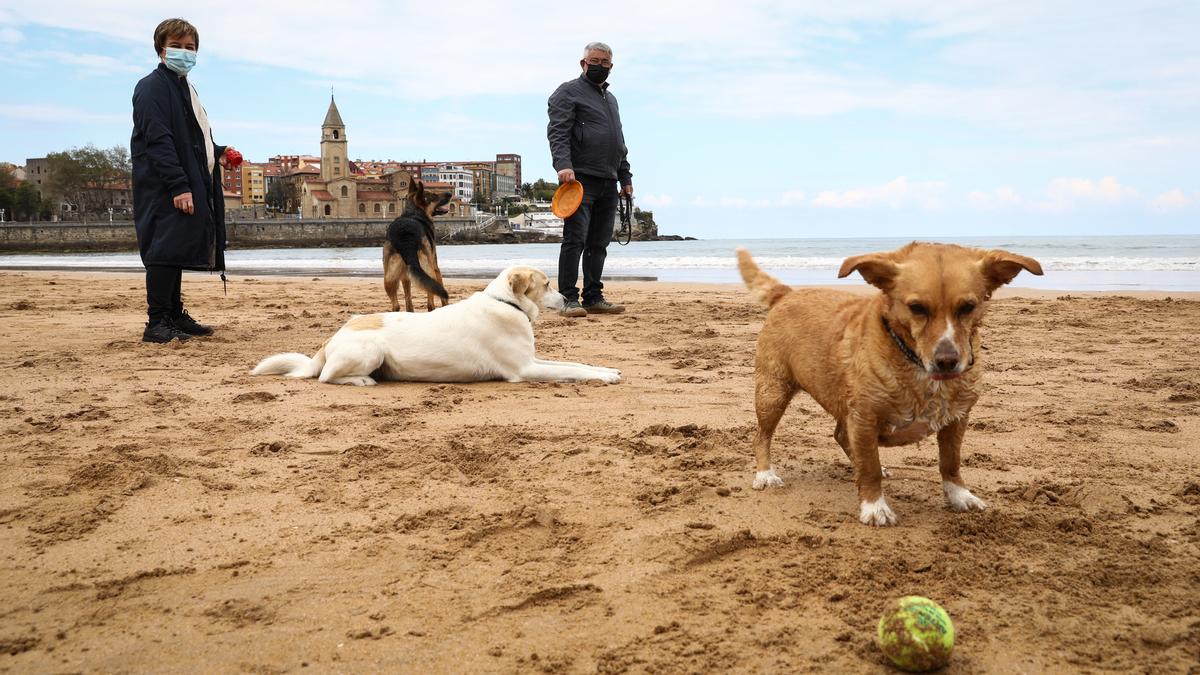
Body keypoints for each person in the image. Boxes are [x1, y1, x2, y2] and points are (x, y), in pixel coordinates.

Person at [131, 18, 238, 343]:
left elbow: (192, 138)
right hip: (162, 186)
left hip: (183, 180)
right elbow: (159, 140)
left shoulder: (183, 88)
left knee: (174, 248)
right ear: (161, 49)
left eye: (190, 48)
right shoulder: (152, 87)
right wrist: (178, 186)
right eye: (177, 46)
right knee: (163, 249)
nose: (184, 52)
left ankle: (174, 313)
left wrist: (218, 152)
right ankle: (157, 321)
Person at [547, 41, 633, 317]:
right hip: (579, 180)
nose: (599, 66)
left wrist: (625, 177)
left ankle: (593, 297)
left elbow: (618, 142)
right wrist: (563, 165)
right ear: (583, 63)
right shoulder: (567, 92)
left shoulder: (611, 99)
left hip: (608, 181)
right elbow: (558, 132)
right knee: (575, 240)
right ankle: (567, 299)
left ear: (611, 66)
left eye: (604, 63)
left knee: (599, 243)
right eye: (593, 61)